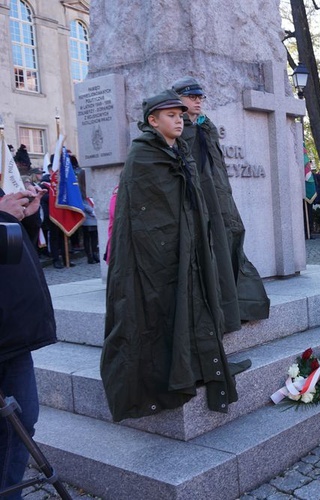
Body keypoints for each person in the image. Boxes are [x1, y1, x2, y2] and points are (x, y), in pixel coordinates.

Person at [101, 90, 249, 422]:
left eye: (181, 115)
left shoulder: (181, 151)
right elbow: (141, 217)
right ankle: (175, 374)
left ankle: (196, 367)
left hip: (189, 248)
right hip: (157, 256)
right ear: (152, 121)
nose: (179, 119)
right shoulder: (143, 156)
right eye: (171, 115)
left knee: (194, 308)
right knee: (166, 311)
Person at [172, 76, 270, 322]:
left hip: (221, 200)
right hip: (200, 204)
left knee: (231, 245)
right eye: (191, 97)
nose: (198, 101)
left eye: (200, 97)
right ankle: (220, 314)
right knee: (211, 254)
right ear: (178, 100)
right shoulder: (179, 131)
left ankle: (240, 308)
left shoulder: (206, 126)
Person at [0, 186, 55, 500]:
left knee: (22, 424)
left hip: (13, 335)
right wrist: (4, 216)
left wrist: (27, 219)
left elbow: (14, 250)